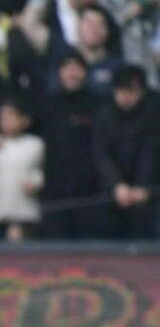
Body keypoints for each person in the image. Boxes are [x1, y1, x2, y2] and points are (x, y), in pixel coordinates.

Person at [40, 51, 107, 238]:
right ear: (59, 73)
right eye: (67, 68)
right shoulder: (48, 104)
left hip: (90, 188)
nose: (72, 73)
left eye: (77, 68)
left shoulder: (99, 104)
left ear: (85, 72)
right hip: (54, 187)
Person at [93, 64, 158, 238]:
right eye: (121, 91)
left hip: (147, 195)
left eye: (131, 91)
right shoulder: (104, 116)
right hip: (111, 194)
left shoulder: (153, 115)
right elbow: (101, 155)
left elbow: (150, 154)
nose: (126, 96)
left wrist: (144, 187)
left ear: (142, 92)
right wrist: (117, 185)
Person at [0, 98, 45, 242]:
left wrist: (35, 182)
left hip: (24, 212)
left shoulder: (35, 144)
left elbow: (41, 170)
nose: (5, 121)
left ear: (24, 120)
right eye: (2, 117)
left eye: (10, 116)